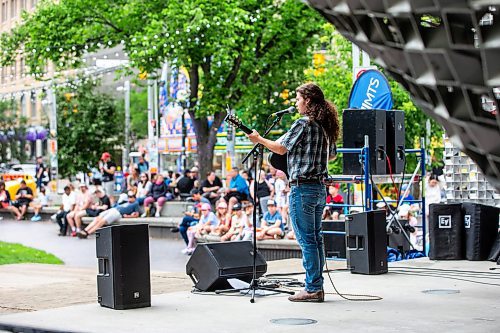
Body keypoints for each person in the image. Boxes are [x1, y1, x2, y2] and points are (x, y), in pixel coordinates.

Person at [247, 83, 339, 302]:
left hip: (303, 188)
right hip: (318, 189)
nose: (296, 103)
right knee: (316, 240)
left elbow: (280, 148)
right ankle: (316, 285)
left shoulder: (303, 123)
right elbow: (332, 156)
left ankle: (313, 288)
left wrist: (258, 139)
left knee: (307, 241)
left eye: (298, 99)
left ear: (307, 100)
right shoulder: (325, 126)